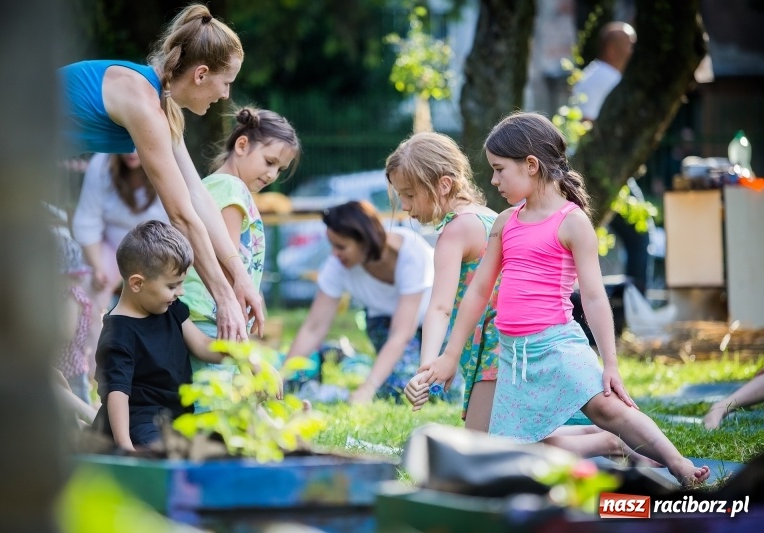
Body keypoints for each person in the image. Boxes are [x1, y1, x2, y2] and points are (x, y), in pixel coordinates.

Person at [418, 112, 709, 486]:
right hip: (513, 357)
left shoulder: (572, 222)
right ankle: (608, 447)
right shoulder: (506, 222)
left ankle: (678, 463)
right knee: (515, 454)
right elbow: (477, 292)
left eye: (499, 169)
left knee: (609, 409)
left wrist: (611, 364)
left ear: (531, 165)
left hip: (557, 345)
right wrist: (450, 355)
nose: (493, 180)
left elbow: (593, 296)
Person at [58, 3, 262, 341]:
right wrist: (223, 299)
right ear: (200, 74)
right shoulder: (144, 104)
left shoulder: (160, 105)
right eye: (226, 83)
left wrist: (238, 277)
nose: (226, 94)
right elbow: (181, 215)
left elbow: (197, 197)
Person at [92, 221, 281, 450]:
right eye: (173, 286)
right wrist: (126, 448)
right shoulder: (118, 333)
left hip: (179, 418)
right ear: (137, 283)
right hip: (139, 423)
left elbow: (202, 344)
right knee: (167, 457)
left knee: (233, 436)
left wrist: (249, 359)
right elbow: (117, 394)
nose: (180, 292)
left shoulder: (170, 308)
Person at [385, 132, 499, 431]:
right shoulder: (489, 216)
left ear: (444, 184)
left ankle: (608, 441)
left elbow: (440, 308)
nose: (406, 206)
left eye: (409, 195)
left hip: (493, 352)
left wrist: (426, 369)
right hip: (512, 345)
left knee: (479, 449)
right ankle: (604, 441)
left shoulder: (455, 231)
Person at [181, 106, 300, 373]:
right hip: (210, 313)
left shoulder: (219, 186)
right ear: (242, 145)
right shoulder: (230, 187)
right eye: (269, 162)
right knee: (213, 401)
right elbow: (226, 257)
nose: (272, 175)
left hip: (207, 311)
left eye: (280, 170)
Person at [285, 201, 437, 403]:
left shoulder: (411, 254)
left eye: (341, 246)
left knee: (439, 389)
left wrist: (367, 389)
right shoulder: (337, 266)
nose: (334, 254)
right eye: (332, 246)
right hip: (383, 321)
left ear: (365, 240)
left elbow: (402, 333)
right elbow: (313, 327)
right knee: (399, 388)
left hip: (433, 323)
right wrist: (281, 376)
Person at [72, 151, 169, 376]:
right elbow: (88, 219)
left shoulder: (164, 159)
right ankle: (94, 370)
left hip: (154, 247)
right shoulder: (101, 163)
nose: (131, 152)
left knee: (157, 297)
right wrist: (96, 268)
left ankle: (149, 367)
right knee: (89, 290)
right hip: (111, 244)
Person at [51, 227, 94, 404]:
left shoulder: (71, 295)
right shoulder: (67, 294)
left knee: (78, 410)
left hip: (71, 370)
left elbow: (67, 332)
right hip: (63, 367)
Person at [573, 21, 636, 121]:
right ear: (611, 49)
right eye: (629, 45)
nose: (631, 52)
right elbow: (586, 120)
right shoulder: (605, 76)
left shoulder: (596, 71)